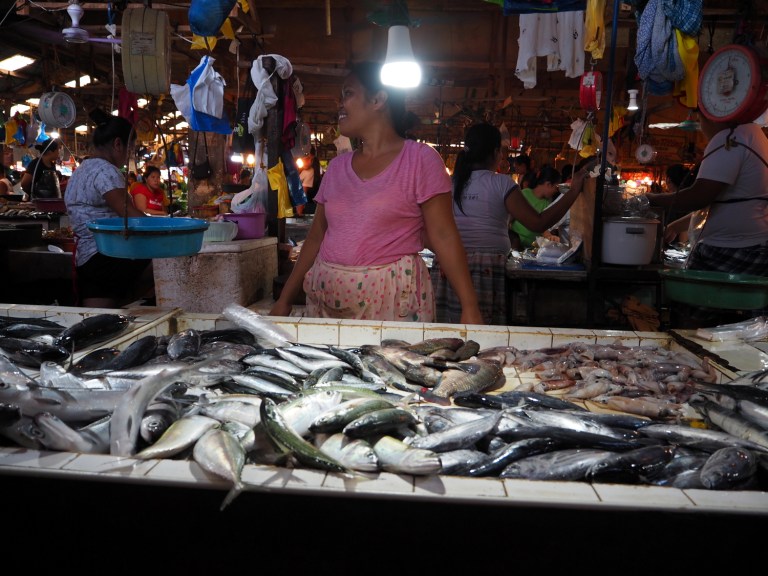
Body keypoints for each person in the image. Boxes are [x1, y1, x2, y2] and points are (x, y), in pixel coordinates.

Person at [270, 61, 482, 324]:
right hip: (328, 303)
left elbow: (443, 236)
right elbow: (315, 239)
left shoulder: (420, 160)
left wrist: (469, 306)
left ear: (378, 99)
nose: (340, 103)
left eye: (348, 93)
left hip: (392, 302)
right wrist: (285, 300)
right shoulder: (336, 168)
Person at [431, 123, 593, 325]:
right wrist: (574, 191)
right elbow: (537, 222)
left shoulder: (449, 182)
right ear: (496, 152)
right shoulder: (501, 183)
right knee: (482, 341)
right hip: (484, 269)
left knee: (449, 336)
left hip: (448, 267)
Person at [646, 114, 768, 275]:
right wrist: (675, 226)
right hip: (753, 247)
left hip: (732, 250)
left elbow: (699, 197)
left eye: (700, 120)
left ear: (710, 118)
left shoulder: (729, 138)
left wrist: (651, 199)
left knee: (674, 290)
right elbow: (726, 204)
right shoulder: (754, 134)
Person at [65, 109, 154, 308]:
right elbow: (129, 214)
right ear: (117, 144)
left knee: (100, 322)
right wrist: (168, 231)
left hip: (87, 258)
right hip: (106, 256)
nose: (129, 156)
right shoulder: (106, 170)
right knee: (166, 265)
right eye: (130, 149)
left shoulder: (81, 170)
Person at [509, 165, 562, 249]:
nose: (556, 191)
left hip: (532, 249)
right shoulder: (524, 194)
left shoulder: (547, 204)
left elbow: (544, 227)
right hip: (515, 245)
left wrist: (549, 236)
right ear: (548, 184)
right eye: (556, 188)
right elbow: (509, 217)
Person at [299, 145, 320, 214]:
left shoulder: (310, 171)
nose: (304, 160)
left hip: (308, 205)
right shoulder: (303, 170)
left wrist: (300, 211)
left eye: (308, 158)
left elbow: (304, 192)